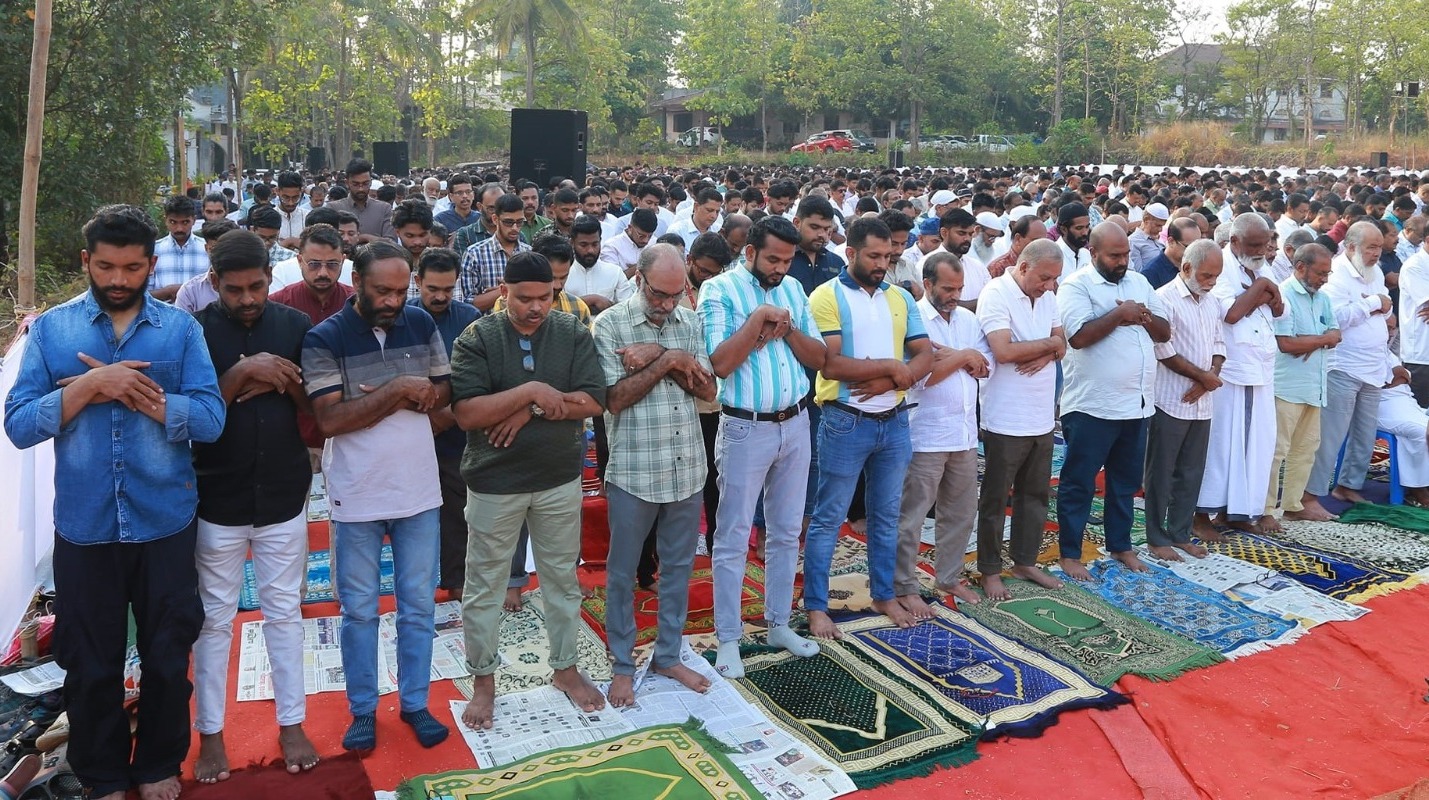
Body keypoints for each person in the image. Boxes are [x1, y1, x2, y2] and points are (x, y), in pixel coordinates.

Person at [5, 205, 225, 800]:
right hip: (85, 527)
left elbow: (209, 419)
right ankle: (101, 774)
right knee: (90, 662)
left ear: (152, 265)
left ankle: (157, 766)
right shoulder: (52, 331)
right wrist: (89, 387)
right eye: (106, 266)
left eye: (132, 267)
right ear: (87, 262)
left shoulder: (180, 331)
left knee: (165, 654)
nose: (119, 279)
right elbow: (19, 425)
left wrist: (144, 398)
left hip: (164, 524)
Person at [303, 240, 452, 752]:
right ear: (357, 283)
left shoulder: (422, 324)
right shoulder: (325, 338)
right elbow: (330, 419)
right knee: (360, 611)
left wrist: (399, 395)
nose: (392, 300)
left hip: (418, 491)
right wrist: (397, 391)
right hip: (357, 494)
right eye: (381, 291)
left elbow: (441, 391)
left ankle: (415, 704)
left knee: (417, 607)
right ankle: (363, 710)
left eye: (400, 290)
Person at [451, 251, 609, 729]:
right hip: (495, 482)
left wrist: (532, 408)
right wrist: (531, 391)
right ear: (504, 292)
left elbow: (593, 401)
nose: (536, 307)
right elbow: (468, 414)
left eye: (545, 297)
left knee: (561, 579)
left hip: (558, 479)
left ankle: (565, 669)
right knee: (485, 586)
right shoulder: (478, 336)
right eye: (524, 298)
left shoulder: (572, 331)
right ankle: (484, 681)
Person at [190, 230, 319, 783]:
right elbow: (194, 418)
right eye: (235, 289)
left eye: (258, 286)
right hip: (215, 495)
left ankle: (292, 722)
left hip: (284, 493)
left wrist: (278, 375)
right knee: (214, 621)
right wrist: (241, 374)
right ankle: (211, 735)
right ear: (214, 283)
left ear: (272, 277)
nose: (248, 299)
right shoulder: (192, 334)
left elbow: (312, 405)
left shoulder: (294, 326)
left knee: (284, 612)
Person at [697, 215, 828, 678]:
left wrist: (788, 329)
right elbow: (720, 363)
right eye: (772, 259)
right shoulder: (719, 291)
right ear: (749, 251)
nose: (780, 268)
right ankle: (729, 637)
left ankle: (777, 623)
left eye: (787, 261)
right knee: (733, 537)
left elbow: (820, 359)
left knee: (787, 531)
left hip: (794, 423)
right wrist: (756, 322)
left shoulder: (793, 290)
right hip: (744, 427)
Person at [594, 244, 717, 706]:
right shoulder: (609, 325)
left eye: (676, 294)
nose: (667, 305)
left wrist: (661, 354)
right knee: (623, 573)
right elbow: (615, 398)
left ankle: (668, 654)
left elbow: (708, 391)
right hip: (634, 470)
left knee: (680, 569)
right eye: (658, 295)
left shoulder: (690, 320)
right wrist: (671, 362)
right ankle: (623, 664)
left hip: (687, 465)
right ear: (638, 281)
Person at [802, 217, 933, 634]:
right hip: (846, 421)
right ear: (851, 253)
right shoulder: (827, 296)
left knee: (886, 514)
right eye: (874, 256)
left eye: (888, 256)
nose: (882, 263)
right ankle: (817, 605)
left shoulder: (899, 298)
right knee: (829, 517)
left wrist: (893, 377)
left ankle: (883, 594)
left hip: (893, 421)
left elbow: (925, 354)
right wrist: (894, 367)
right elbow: (831, 363)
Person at [1056, 222, 1170, 581]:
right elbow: (1078, 337)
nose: (1123, 261)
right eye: (1115, 255)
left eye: (1125, 254)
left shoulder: (1138, 282)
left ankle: (1120, 545)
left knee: (1124, 482)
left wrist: (1143, 315)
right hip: (1092, 405)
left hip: (1136, 404)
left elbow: (1164, 331)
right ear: (1094, 253)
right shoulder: (1077, 286)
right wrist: (1120, 315)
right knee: (1079, 482)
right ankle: (1070, 553)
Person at [895, 251, 991, 613]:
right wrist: (962, 357)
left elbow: (985, 367)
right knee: (912, 516)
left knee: (962, 512)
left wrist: (954, 356)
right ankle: (903, 585)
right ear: (929, 284)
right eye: (948, 288)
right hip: (926, 435)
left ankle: (948, 576)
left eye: (960, 288)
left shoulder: (968, 318)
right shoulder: (914, 318)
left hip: (965, 434)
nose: (955, 294)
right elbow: (918, 376)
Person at [975, 238, 1067, 600]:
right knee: (996, 499)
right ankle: (990, 569)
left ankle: (1025, 560)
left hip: (1042, 417)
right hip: (1005, 418)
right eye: (1044, 278)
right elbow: (1003, 351)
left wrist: (1047, 351)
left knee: (1035, 495)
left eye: (1054, 280)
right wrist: (1049, 347)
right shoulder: (995, 294)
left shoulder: (1048, 295)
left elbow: (1063, 341)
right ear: (1024, 266)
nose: (1048, 286)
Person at [1195, 213, 1285, 539]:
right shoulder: (1222, 267)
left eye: (1265, 244)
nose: (1262, 251)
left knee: (1257, 445)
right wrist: (1261, 288)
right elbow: (1230, 313)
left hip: (1260, 367)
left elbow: (1279, 308)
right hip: (1230, 371)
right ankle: (1203, 514)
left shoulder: (1263, 266)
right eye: (1254, 245)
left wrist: (1261, 290)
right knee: (1221, 444)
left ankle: (1239, 511)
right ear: (1234, 242)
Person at [1143, 239, 1225, 561]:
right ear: (1186, 268)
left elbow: (1219, 344)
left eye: (1216, 276)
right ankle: (1155, 537)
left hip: (1201, 402)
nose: (1212, 282)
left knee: (1191, 471)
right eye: (1207, 275)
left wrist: (1210, 377)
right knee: (1161, 472)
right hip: (1170, 399)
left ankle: (1180, 533)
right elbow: (1164, 351)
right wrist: (1201, 378)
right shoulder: (1164, 299)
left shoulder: (1212, 302)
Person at [1305, 221, 1396, 508]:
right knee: (1331, 436)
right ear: (1352, 247)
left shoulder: (1375, 271)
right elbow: (1336, 317)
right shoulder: (1336, 275)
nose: (1376, 253)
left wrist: (1376, 304)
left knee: (1365, 434)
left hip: (1373, 365)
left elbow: (1388, 307)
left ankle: (1348, 486)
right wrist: (1372, 304)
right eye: (1371, 247)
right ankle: (1311, 495)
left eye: (1379, 247)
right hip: (1343, 365)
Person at [408, 248, 482, 599]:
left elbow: (479, 375)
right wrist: (428, 416)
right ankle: (415, 585)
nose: (440, 297)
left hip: (456, 431)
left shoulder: (469, 316)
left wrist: (450, 415)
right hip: (410, 430)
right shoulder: (402, 317)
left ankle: (455, 582)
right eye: (432, 288)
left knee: (457, 511)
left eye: (447, 289)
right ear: (417, 281)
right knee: (413, 514)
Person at [1263, 243, 1341, 529]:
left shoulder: (1323, 298)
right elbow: (1286, 344)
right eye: (1321, 273)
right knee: (1277, 451)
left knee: (1306, 449)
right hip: (1287, 387)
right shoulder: (1283, 295)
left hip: (1314, 386)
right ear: (1300, 267)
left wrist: (1314, 340)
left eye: (1328, 273)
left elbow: (1336, 332)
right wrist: (1321, 340)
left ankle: (1293, 505)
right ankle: (1266, 509)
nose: (1325, 279)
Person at [270, 224, 356, 325]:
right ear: (300, 261)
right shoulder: (277, 304)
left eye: (332, 264)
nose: (323, 273)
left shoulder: (356, 303)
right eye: (314, 264)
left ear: (343, 261)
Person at [458, 193, 531, 312]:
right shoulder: (475, 254)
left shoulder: (529, 253)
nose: (515, 228)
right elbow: (470, 305)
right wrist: (510, 288)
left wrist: (503, 290)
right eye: (508, 222)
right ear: (495, 219)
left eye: (519, 222)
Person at [566, 215, 634, 314]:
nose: (590, 250)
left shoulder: (615, 272)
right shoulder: (563, 275)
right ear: (572, 243)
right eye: (584, 245)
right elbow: (556, 310)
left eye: (595, 244)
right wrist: (592, 299)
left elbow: (627, 309)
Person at [150, 194, 210, 302]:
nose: (179, 228)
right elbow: (144, 295)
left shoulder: (207, 250)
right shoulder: (153, 250)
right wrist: (168, 291)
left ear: (194, 220)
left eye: (185, 222)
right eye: (173, 222)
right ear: (165, 220)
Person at [326, 159, 396, 243]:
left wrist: (364, 237)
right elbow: (329, 241)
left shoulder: (384, 208)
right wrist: (367, 238)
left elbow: (392, 242)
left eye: (365, 184)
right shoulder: (333, 208)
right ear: (347, 183)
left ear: (370, 182)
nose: (361, 188)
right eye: (355, 184)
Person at [1142, 217, 1201, 289]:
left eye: (1198, 247)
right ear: (1171, 241)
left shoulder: (1197, 265)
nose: (1195, 252)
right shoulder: (1151, 273)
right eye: (1189, 247)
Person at [601, 208, 657, 274]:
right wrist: (642, 266)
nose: (646, 241)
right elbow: (612, 279)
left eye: (650, 236)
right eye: (641, 236)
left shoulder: (655, 243)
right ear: (630, 228)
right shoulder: (612, 246)